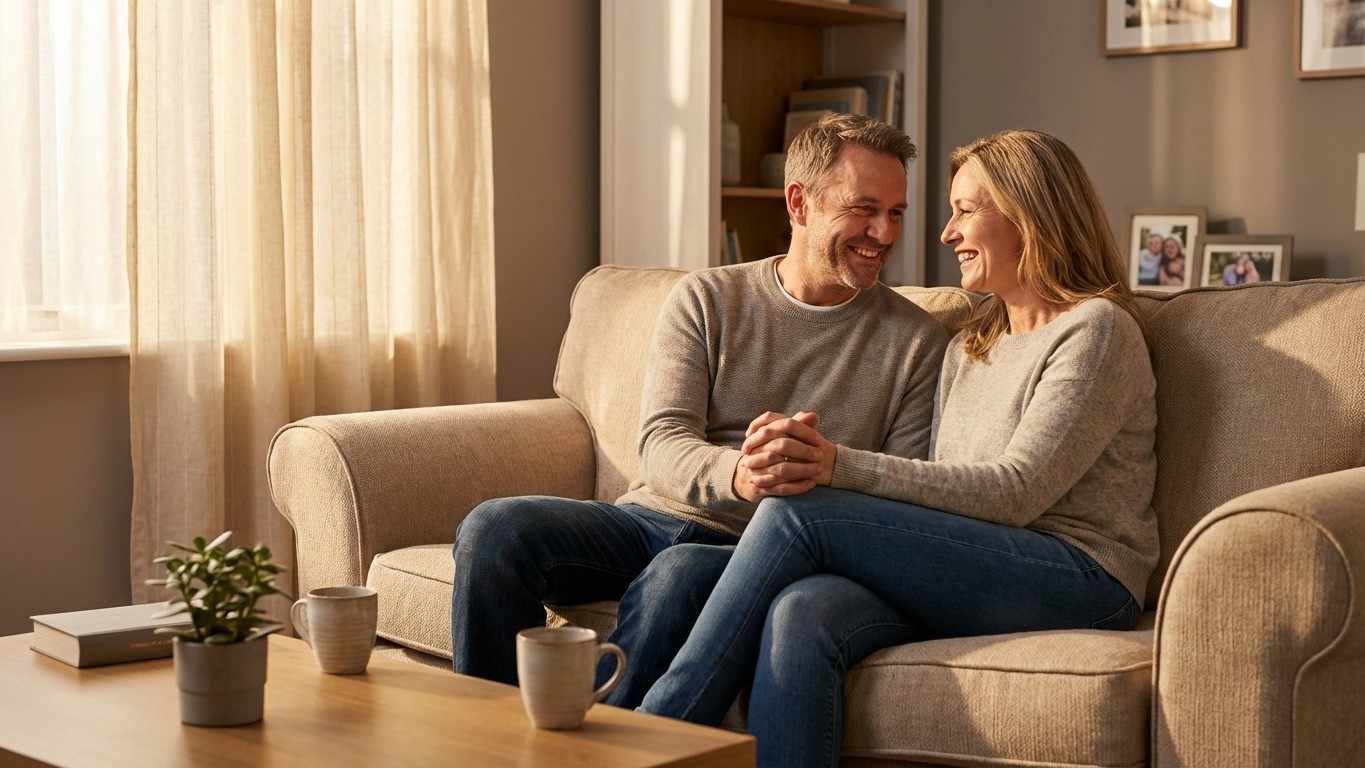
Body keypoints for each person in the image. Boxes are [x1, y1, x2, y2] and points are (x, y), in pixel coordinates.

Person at [638, 129, 1160, 767]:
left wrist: (836, 464)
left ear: (1030, 215)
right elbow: (937, 484)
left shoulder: (1095, 330)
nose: (946, 233)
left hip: (1080, 575)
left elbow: (1016, 493)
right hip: (973, 563)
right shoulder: (974, 340)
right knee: (799, 610)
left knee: (800, 512)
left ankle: (644, 740)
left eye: (965, 210)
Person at [450, 112, 950, 708]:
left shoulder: (918, 340)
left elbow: (901, 492)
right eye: (863, 208)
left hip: (759, 550)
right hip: (649, 517)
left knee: (677, 575)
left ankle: (614, 750)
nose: (884, 233)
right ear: (799, 203)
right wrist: (737, 473)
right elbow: (660, 440)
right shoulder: (708, 298)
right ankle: (489, 739)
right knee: (495, 530)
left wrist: (815, 473)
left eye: (895, 213)